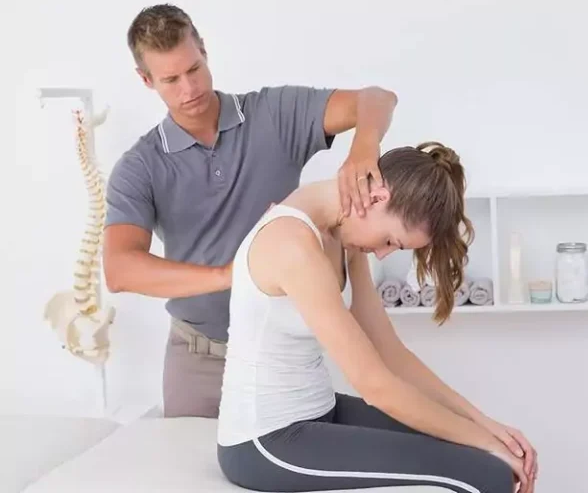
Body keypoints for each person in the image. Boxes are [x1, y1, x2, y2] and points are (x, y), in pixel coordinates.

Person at [103, 3, 398, 419]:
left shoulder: (273, 116)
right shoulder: (141, 166)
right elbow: (120, 270)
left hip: (282, 351)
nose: (189, 89)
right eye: (170, 79)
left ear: (203, 49)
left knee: (288, 474)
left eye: (194, 69)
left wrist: (364, 146)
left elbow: (377, 99)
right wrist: (230, 274)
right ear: (146, 80)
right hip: (198, 360)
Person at [216, 142, 539, 493]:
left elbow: (390, 352)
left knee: (488, 458)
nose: (383, 255)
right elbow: (375, 386)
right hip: (266, 441)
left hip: (321, 411)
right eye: (390, 240)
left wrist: (487, 427)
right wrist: (486, 443)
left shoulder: (342, 237)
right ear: (376, 198)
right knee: (486, 475)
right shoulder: (292, 244)